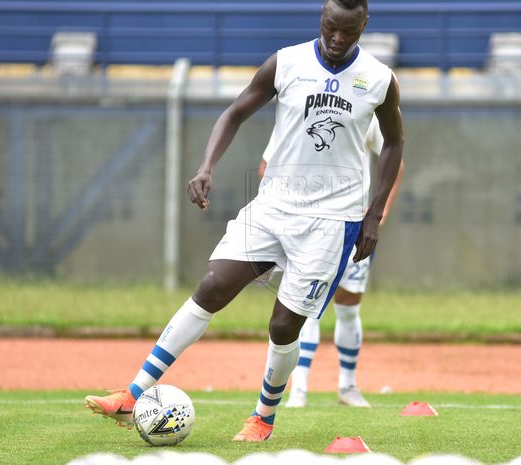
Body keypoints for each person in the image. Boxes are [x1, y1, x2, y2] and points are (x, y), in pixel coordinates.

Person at [84, 0, 404, 442]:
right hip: (272, 207)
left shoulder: (380, 79)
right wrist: (206, 167)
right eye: (330, 27)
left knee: (283, 325)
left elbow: (393, 143)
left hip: (332, 221)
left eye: (347, 31)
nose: (336, 39)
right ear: (321, 18)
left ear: (363, 24)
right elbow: (234, 113)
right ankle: (134, 393)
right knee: (212, 286)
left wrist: (374, 214)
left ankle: (262, 419)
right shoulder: (286, 62)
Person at [257, 117, 404, 409]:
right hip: (308, 228)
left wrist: (379, 214)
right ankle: (299, 389)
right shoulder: (298, 109)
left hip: (352, 225)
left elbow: (395, 156)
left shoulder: (368, 107)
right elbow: (266, 165)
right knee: (306, 308)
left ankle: (347, 386)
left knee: (349, 308)